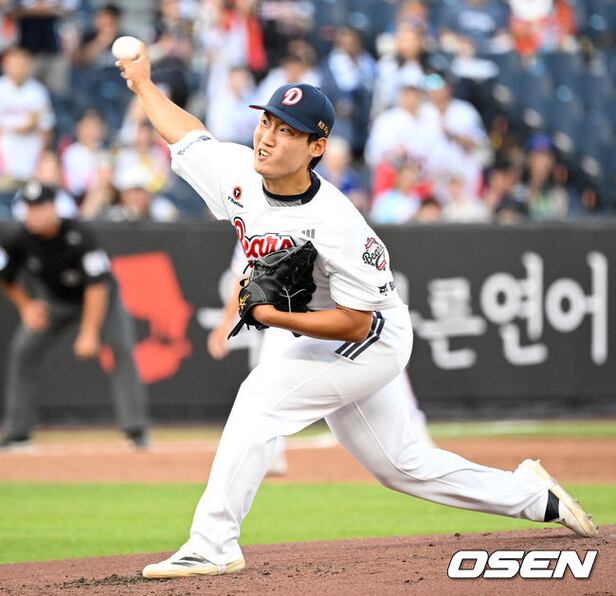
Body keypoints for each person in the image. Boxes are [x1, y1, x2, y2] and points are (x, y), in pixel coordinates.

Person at [115, 43, 597, 579]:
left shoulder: (337, 224)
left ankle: (212, 544)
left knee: (259, 398)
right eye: (267, 121)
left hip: (371, 338)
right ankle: (534, 498)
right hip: (323, 334)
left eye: (287, 131)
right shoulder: (238, 172)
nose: (267, 137)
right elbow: (186, 134)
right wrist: (143, 84)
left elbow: (356, 322)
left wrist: (275, 318)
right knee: (402, 466)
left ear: (316, 147)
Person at [0, 182, 150, 449]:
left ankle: (135, 430)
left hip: (101, 302)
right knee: (23, 352)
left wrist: (89, 332)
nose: (33, 214)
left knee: (121, 348)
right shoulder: (20, 238)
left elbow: (97, 286)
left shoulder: (79, 234)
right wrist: (26, 306)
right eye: (29, 208)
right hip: (55, 303)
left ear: (53, 208)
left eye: (39, 207)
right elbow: (5, 275)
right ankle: (17, 433)